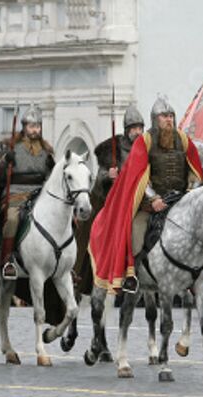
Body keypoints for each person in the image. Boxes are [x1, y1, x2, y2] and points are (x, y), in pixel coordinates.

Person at [89, 96, 203, 294]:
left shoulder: (183, 139)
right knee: (135, 231)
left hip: (180, 201)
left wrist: (193, 191)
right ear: (155, 119)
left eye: (171, 116)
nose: (169, 119)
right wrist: (153, 198)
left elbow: (196, 170)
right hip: (152, 203)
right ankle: (130, 275)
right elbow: (139, 176)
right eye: (164, 116)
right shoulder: (146, 141)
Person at [74, 104, 145, 297]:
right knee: (94, 233)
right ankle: (82, 274)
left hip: (139, 201)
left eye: (140, 128)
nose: (137, 132)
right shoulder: (112, 150)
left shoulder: (146, 148)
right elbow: (97, 184)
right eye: (134, 128)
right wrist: (108, 175)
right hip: (110, 202)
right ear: (127, 129)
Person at [0, 104, 55, 280]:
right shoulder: (10, 147)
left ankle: (61, 262)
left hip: (40, 195)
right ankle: (7, 261)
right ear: (24, 127)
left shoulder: (47, 150)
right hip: (15, 194)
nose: (35, 130)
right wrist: (5, 161)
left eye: (37, 126)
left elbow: (51, 179)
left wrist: (53, 168)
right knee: (12, 219)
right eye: (31, 126)